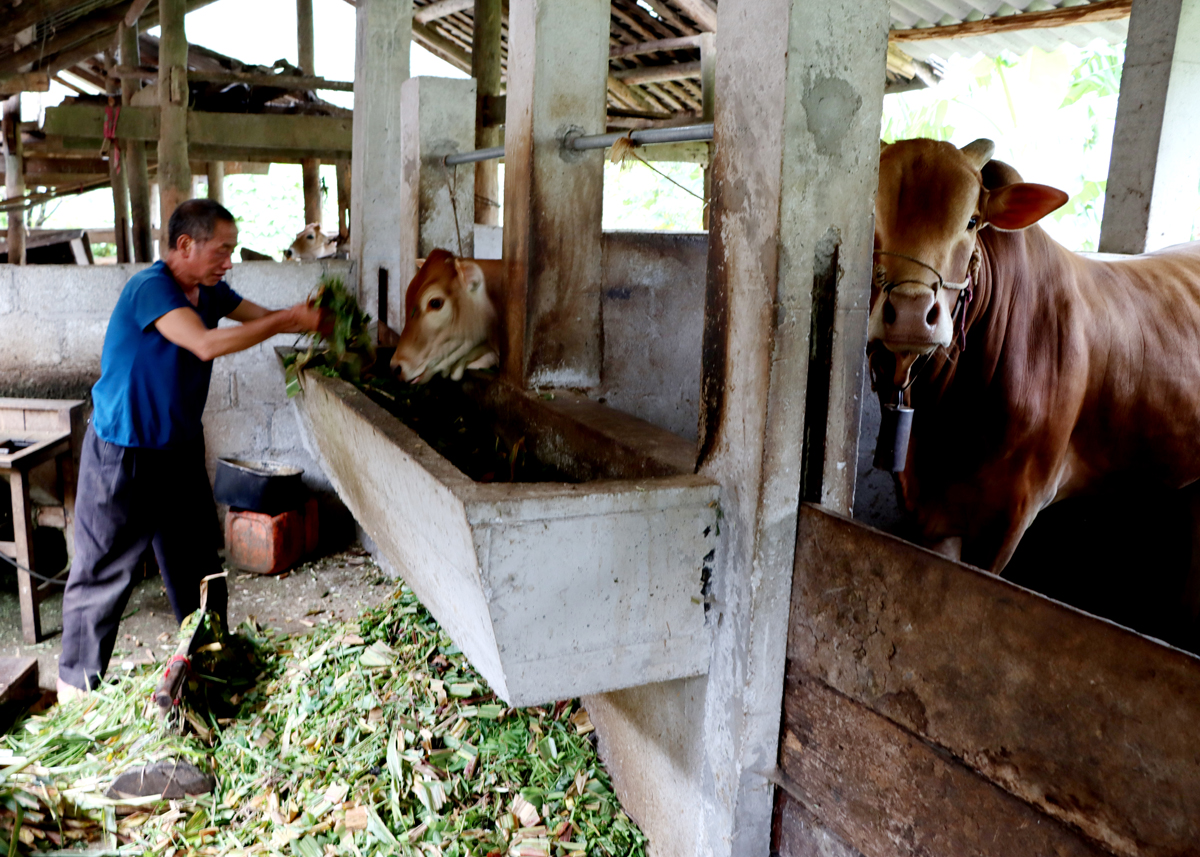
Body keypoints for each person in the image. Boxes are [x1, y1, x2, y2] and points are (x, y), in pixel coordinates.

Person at [57, 199, 328, 700]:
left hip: (178, 447)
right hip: (124, 449)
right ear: (186, 245)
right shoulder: (151, 289)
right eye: (222, 249)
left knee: (197, 561)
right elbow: (203, 345)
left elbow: (263, 317)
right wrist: (287, 319)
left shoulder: (209, 290)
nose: (229, 260)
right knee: (103, 569)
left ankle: (205, 656)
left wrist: (304, 320)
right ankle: (76, 689)